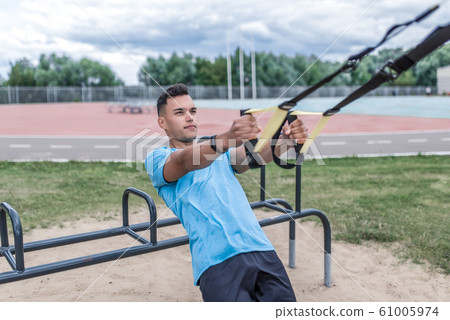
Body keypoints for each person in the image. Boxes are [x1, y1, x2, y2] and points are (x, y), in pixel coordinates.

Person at [145, 83, 308, 302]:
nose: (190, 117)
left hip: (261, 249)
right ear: (162, 123)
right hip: (217, 262)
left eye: (192, 111)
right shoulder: (158, 159)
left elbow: (253, 157)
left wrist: (288, 141)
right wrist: (227, 138)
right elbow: (184, 161)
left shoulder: (218, 152)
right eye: (179, 112)